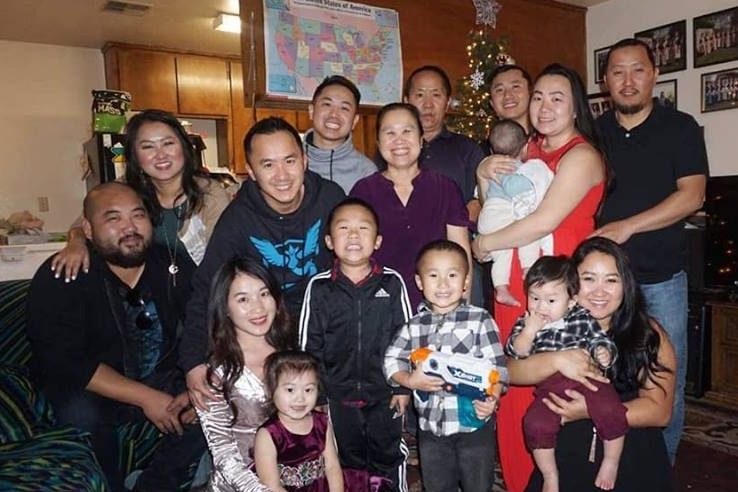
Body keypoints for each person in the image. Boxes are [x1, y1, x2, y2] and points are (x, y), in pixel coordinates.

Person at [473, 63, 606, 492]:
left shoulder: (582, 156)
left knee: (558, 392)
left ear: (576, 107)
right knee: (514, 387)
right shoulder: (523, 149)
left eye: (557, 98)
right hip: (514, 286)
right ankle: (519, 483)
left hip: (561, 291)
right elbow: (494, 203)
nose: (545, 107)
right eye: (539, 98)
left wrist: (484, 243)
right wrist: (482, 173)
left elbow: (544, 220)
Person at [26, 182, 206, 492]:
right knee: (81, 414)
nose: (129, 227)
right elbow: (64, 360)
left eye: (138, 215)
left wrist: (195, 384)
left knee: (219, 398)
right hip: (93, 388)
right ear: (88, 229)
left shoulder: (170, 263)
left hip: (163, 376)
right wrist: (146, 397)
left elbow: (203, 324)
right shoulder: (64, 274)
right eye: (113, 218)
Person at [593, 38, 708, 464]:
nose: (628, 81)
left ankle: (662, 465)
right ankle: (604, 461)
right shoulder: (594, 132)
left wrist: (629, 226)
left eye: (638, 70)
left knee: (663, 381)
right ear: (605, 81)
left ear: (655, 74)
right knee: (600, 374)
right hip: (602, 285)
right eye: (617, 72)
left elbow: (693, 196)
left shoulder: (680, 127)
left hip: (662, 279)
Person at [181, 117, 345, 412]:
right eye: (268, 164)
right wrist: (193, 360)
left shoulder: (330, 198)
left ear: (305, 160)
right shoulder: (238, 219)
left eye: (290, 161)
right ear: (252, 171)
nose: (282, 175)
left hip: (326, 325)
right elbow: (207, 287)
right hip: (270, 333)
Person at [521, 237, 675, 492]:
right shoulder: (550, 324)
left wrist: (590, 410)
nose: (599, 292)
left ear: (626, 285)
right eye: (589, 279)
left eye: (611, 280)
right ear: (571, 283)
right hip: (566, 449)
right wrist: (557, 359)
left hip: (631, 452)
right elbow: (512, 370)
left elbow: (660, 412)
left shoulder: (647, 332)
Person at [298, 198, 412, 491]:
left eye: (363, 228)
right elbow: (309, 346)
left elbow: (406, 338)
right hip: (337, 397)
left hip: (385, 393)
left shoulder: (392, 283)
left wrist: (402, 387)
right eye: (343, 228)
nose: (353, 235)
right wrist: (315, 392)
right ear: (328, 241)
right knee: (347, 459)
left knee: (388, 454)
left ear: (377, 241)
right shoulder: (319, 287)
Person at [51, 109, 235, 281]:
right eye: (148, 147)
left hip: (200, 290)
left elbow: (223, 257)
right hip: (143, 293)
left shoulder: (210, 193)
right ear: (135, 156)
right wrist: (76, 244)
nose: (160, 155)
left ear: (184, 147)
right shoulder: (124, 189)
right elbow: (84, 224)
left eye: (168, 143)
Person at [384, 239, 508, 492]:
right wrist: (409, 381)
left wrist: (493, 398)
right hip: (431, 427)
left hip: (473, 423)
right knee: (437, 485)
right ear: (419, 282)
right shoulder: (414, 325)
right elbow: (391, 359)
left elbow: (498, 369)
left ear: (466, 281)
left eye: (452, 275)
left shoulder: (480, 320)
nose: (443, 284)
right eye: (433, 275)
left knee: (478, 485)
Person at [506, 256, 625, 492]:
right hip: (550, 387)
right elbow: (516, 353)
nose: (541, 307)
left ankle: (611, 461)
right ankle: (550, 475)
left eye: (551, 300)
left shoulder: (582, 318)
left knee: (611, 409)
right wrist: (529, 332)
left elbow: (599, 340)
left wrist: (603, 353)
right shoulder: (526, 323)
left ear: (571, 302)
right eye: (534, 298)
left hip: (589, 380)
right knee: (535, 424)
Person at [351, 103, 471, 311]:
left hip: (438, 305)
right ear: (378, 143)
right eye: (390, 132)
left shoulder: (445, 188)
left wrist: (462, 312)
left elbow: (461, 254)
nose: (399, 140)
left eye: (407, 131)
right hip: (378, 307)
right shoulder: (364, 191)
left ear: (421, 139)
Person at [195, 256, 293, 492]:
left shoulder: (293, 353)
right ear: (225, 308)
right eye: (243, 299)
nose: (258, 307)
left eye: (264, 294)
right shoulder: (216, 372)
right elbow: (224, 456)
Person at [477, 119, 554, 307]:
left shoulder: (490, 164)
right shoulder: (511, 167)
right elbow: (514, 188)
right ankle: (528, 267)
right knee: (528, 235)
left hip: (489, 216)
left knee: (502, 255)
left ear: (492, 150)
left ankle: (501, 288)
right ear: (525, 147)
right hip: (500, 213)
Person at [254, 351, 344, 492]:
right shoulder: (268, 434)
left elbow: (332, 466)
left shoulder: (322, 422)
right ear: (271, 390)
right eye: (290, 390)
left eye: (308, 390)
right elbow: (272, 486)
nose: (300, 398)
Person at [304, 75, 377, 193]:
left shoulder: (366, 171)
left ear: (354, 121)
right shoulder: (291, 161)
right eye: (327, 104)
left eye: (344, 108)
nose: (334, 114)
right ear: (311, 111)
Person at [488, 64, 534, 134]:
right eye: (499, 90)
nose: (507, 95)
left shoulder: (548, 139)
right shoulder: (484, 141)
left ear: (530, 93)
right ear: (492, 103)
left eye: (515, 87)